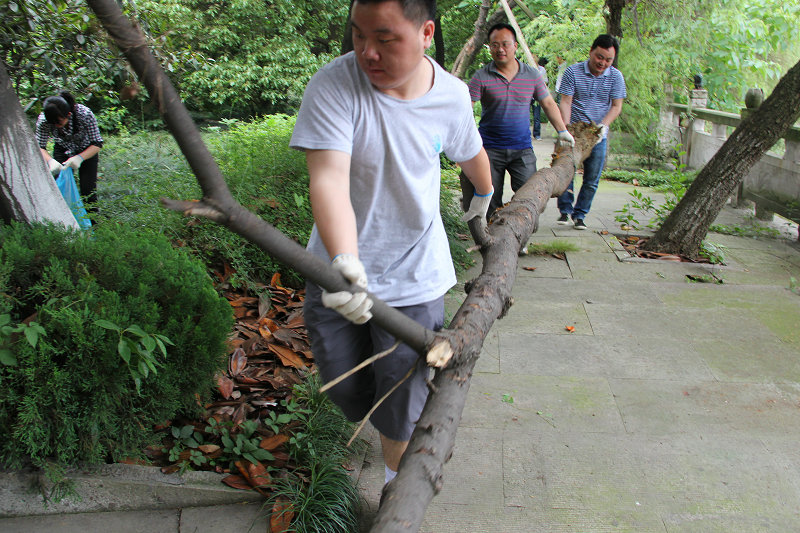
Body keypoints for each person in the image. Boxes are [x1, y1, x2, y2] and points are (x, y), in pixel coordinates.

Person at [289, 0, 493, 488]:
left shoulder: (450, 95)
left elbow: (471, 152)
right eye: (358, 35)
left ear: (426, 33)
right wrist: (345, 260)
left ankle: (393, 489)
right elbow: (329, 179)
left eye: (384, 39)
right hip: (337, 274)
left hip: (414, 275)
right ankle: (384, 424)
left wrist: (485, 198)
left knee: (400, 403)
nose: (367, 52)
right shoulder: (335, 84)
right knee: (345, 387)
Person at [468, 23, 574, 219]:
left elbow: (548, 103)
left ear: (515, 46)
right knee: (490, 199)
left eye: (505, 44)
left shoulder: (531, 75)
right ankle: (490, 235)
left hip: (522, 149)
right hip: (490, 149)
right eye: (495, 45)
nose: (500, 49)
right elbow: (466, 108)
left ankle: (519, 233)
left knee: (529, 198)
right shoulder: (481, 76)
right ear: (490, 47)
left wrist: (562, 131)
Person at [556, 34, 626, 230]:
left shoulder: (616, 77)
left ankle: (580, 215)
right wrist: (565, 129)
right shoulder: (572, 72)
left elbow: (616, 106)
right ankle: (565, 210)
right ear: (591, 52)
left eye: (608, 60)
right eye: (599, 57)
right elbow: (566, 101)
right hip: (574, 131)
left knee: (592, 179)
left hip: (597, 135)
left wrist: (603, 126)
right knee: (566, 172)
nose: (603, 63)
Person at [35, 91, 103, 212]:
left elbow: (97, 143)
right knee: (61, 185)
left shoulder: (85, 114)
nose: (56, 126)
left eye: (59, 122)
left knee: (88, 190)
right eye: (53, 124)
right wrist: (50, 161)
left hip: (86, 149)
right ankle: (64, 218)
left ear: (69, 114)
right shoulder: (44, 120)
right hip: (62, 148)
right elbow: (40, 146)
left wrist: (80, 158)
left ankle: (92, 220)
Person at [531, 56, 549, 140]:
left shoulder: (542, 70)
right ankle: (525, 134)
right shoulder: (526, 69)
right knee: (524, 116)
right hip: (527, 95)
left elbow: (545, 82)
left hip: (537, 95)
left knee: (537, 116)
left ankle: (537, 134)